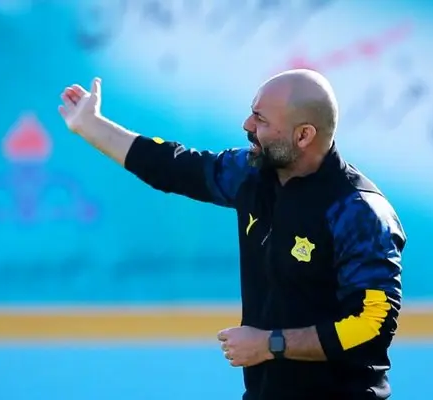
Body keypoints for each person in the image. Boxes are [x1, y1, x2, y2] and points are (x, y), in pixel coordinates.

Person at [58, 69, 406, 400]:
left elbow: (373, 325)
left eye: (261, 120)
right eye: (252, 113)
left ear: (303, 136)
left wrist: (271, 344)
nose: (247, 126)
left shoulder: (357, 211)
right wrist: (91, 125)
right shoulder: (252, 174)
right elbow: (175, 166)